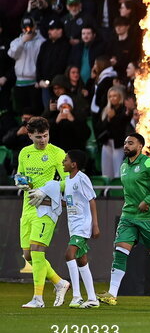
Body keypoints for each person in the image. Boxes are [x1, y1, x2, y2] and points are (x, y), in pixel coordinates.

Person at [96, 133, 150, 306]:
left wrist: (148, 200)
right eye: (125, 143)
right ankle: (112, 293)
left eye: (130, 143)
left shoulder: (149, 163)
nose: (126, 146)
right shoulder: (124, 165)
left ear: (140, 147)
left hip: (149, 217)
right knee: (120, 252)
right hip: (129, 215)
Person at [16, 117, 70, 308]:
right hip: (28, 206)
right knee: (28, 255)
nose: (42, 140)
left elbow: (68, 181)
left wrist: (46, 189)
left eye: (45, 136)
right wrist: (21, 181)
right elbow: (22, 174)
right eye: (38, 137)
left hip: (46, 207)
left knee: (38, 251)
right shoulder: (24, 153)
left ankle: (38, 299)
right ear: (29, 135)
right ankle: (59, 282)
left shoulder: (57, 153)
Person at [59, 149, 99, 308]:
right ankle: (92, 298)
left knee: (69, 254)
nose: (63, 162)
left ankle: (76, 296)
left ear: (74, 164)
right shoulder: (67, 180)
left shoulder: (82, 179)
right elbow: (67, 203)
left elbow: (92, 200)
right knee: (82, 261)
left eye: (66, 160)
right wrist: (45, 201)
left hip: (83, 224)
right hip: (73, 225)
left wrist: (95, 225)